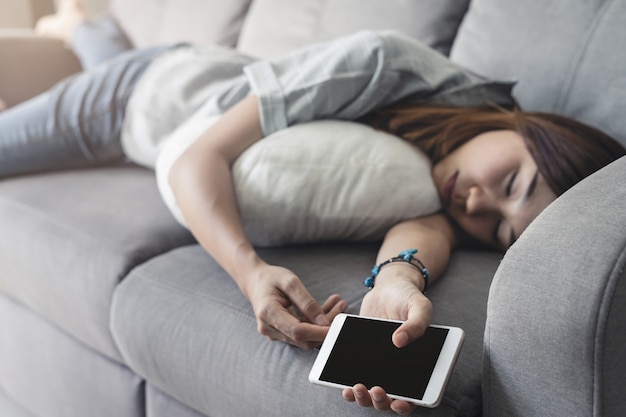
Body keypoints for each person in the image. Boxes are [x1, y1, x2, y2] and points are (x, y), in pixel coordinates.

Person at [2, 1, 625, 414]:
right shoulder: (383, 62)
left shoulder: (443, 177)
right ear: (530, 126)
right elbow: (197, 159)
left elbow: (424, 227)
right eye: (511, 180)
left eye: (497, 230)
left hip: (167, 110)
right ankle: (84, 24)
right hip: (146, 90)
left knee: (94, 49)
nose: (477, 203)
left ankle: (87, 31)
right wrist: (251, 274)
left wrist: (396, 282)